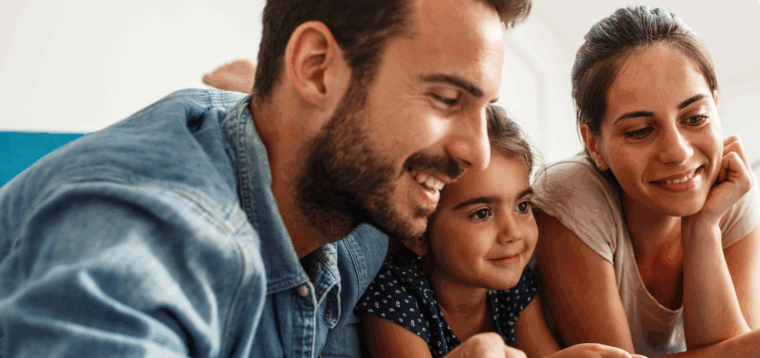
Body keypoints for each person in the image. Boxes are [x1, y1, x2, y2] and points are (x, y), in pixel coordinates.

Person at [0, 0, 537, 357]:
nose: (477, 151)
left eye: (483, 107)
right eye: (447, 99)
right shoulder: (145, 246)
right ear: (315, 67)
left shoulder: (358, 202)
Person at [532, 6, 760, 358]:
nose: (678, 152)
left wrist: (702, 225)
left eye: (695, 117)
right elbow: (753, 351)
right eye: (640, 131)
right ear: (594, 144)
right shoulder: (571, 195)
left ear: (716, 106)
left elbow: (741, 349)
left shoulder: (730, 192)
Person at [355, 105, 641, 358]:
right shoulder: (395, 298)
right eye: (482, 213)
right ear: (416, 233)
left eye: (522, 206)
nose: (512, 233)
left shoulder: (512, 286)